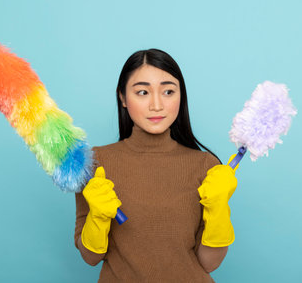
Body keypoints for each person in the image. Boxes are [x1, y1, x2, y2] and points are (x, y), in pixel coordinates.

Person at [74, 49, 238, 282]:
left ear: (181, 97)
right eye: (142, 92)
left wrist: (219, 211)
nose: (157, 105)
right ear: (122, 97)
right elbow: (90, 257)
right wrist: (97, 219)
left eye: (168, 91)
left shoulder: (206, 166)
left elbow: (209, 263)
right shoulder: (95, 164)